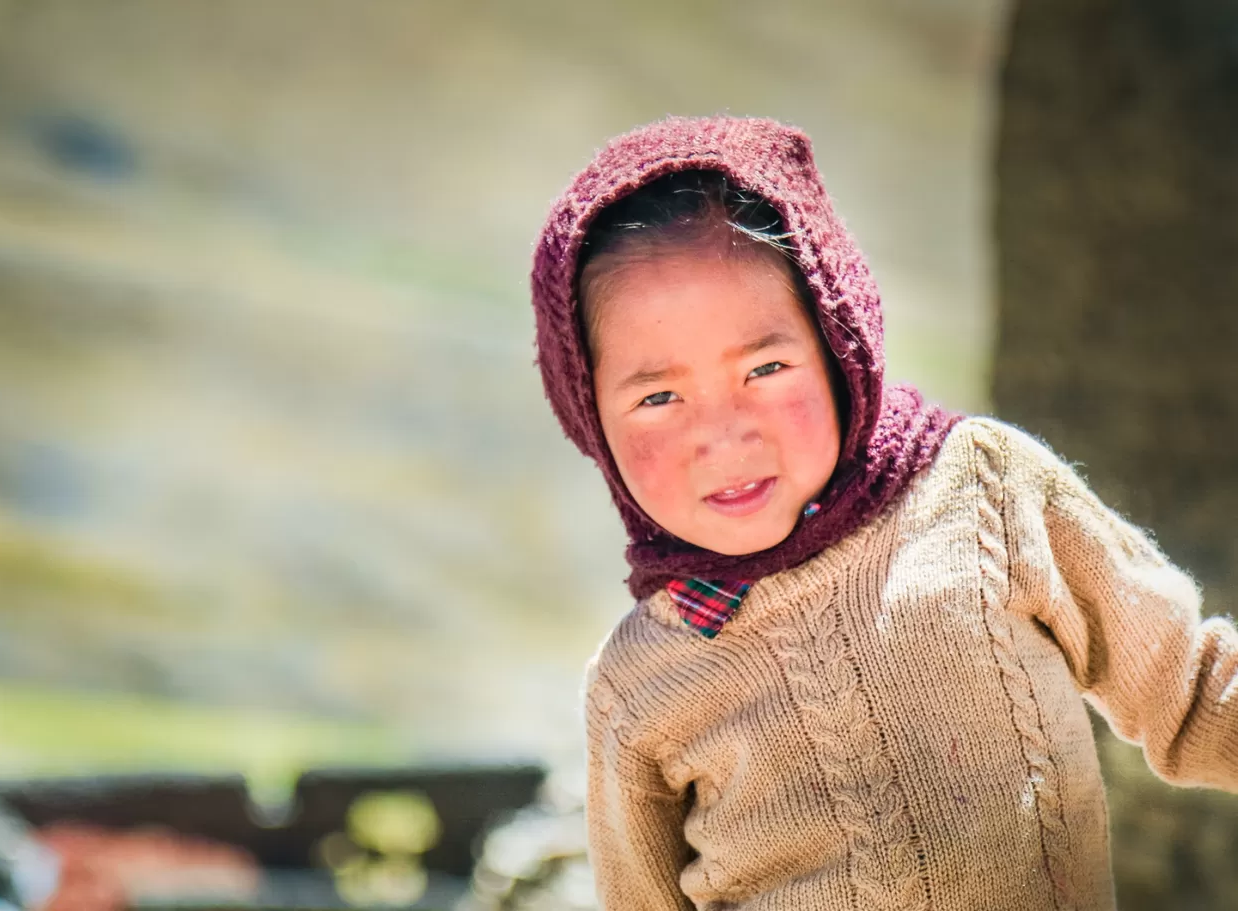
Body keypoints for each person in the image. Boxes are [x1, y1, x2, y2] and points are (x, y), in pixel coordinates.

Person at [528, 115, 1238, 911]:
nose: (723, 434)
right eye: (658, 396)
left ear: (841, 349)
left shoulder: (985, 494)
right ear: (589, 418)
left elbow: (1189, 690)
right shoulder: (640, 684)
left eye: (765, 367)